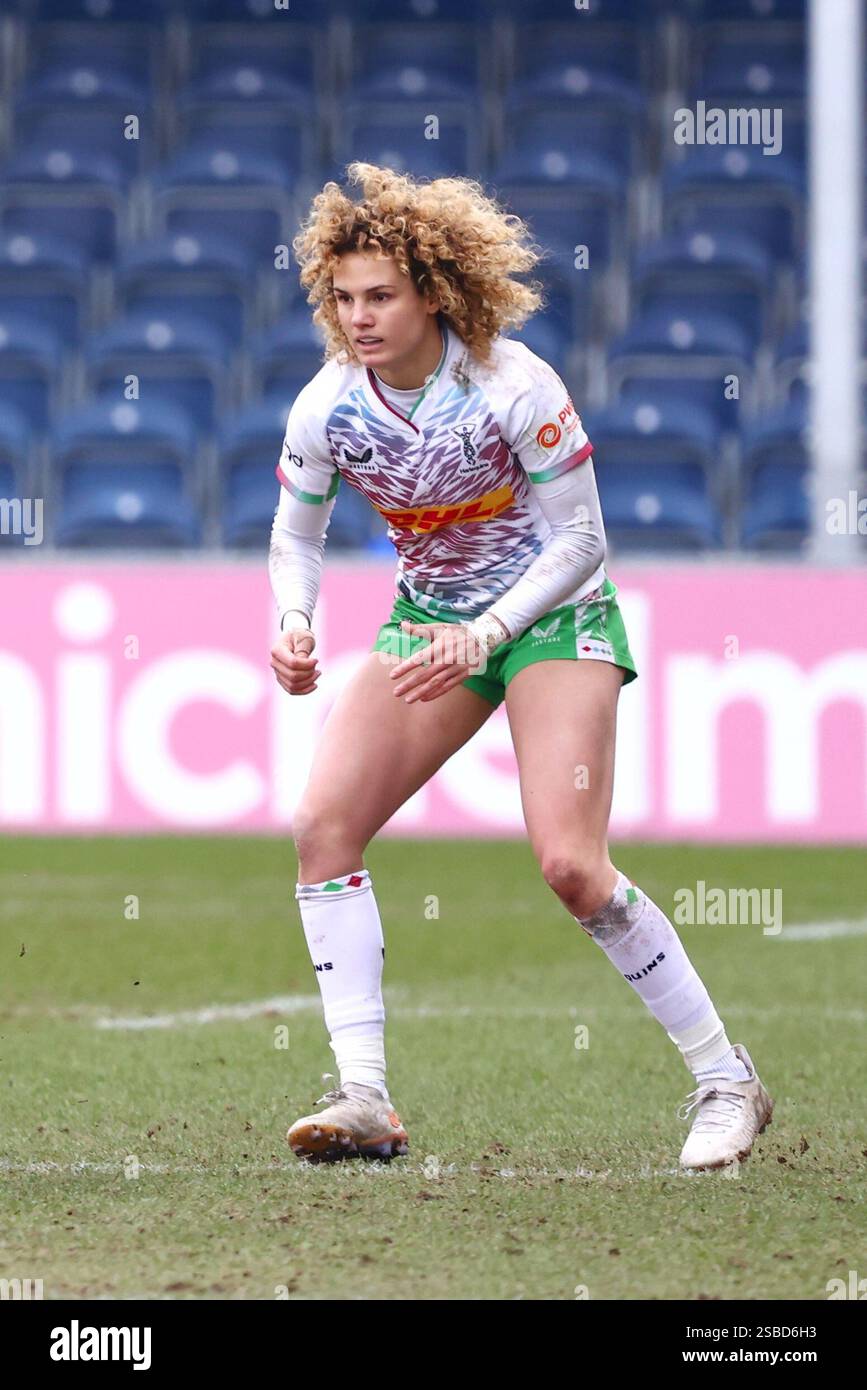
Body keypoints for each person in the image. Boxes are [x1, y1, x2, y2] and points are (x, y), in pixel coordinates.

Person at [267, 162, 773, 1170]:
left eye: (382, 297)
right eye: (344, 298)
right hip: (432, 623)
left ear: (433, 296)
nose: (359, 318)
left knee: (572, 866)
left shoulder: (513, 384)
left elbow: (583, 542)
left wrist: (487, 632)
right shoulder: (328, 406)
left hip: (551, 619)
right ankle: (365, 1095)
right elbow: (298, 532)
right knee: (324, 824)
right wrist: (293, 618)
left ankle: (727, 1080)